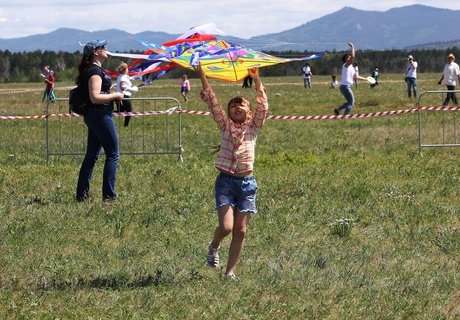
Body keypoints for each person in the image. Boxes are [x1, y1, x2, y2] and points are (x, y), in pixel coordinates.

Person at [194, 65, 268, 281]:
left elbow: (263, 105)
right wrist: (202, 75)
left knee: (241, 230)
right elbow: (212, 101)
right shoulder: (225, 126)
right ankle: (214, 245)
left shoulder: (254, 127)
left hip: (247, 184)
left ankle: (230, 272)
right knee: (226, 227)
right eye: (233, 105)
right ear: (227, 112)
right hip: (226, 183)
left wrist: (256, 80)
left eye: (241, 104)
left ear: (250, 111)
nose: (237, 106)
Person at [75, 40, 124, 202]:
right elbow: (95, 97)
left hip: (94, 115)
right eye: (103, 48)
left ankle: (82, 195)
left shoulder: (93, 70)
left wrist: (111, 96)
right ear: (95, 52)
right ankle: (109, 197)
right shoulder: (95, 71)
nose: (106, 49)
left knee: (92, 156)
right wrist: (116, 96)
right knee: (113, 154)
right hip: (99, 115)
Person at [333, 43, 368, 115]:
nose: (349, 57)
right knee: (351, 103)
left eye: (349, 57)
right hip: (345, 87)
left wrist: (366, 79)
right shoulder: (345, 65)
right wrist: (352, 47)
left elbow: (356, 77)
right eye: (347, 57)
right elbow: (353, 57)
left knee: (350, 102)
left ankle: (338, 110)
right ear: (345, 60)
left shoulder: (351, 68)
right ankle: (344, 116)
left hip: (345, 87)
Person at [116, 62, 138, 127]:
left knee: (121, 111)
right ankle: (126, 126)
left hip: (120, 97)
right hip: (124, 97)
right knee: (129, 112)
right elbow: (123, 87)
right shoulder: (123, 78)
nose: (128, 69)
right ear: (125, 70)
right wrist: (132, 89)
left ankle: (107, 114)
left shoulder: (121, 77)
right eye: (127, 68)